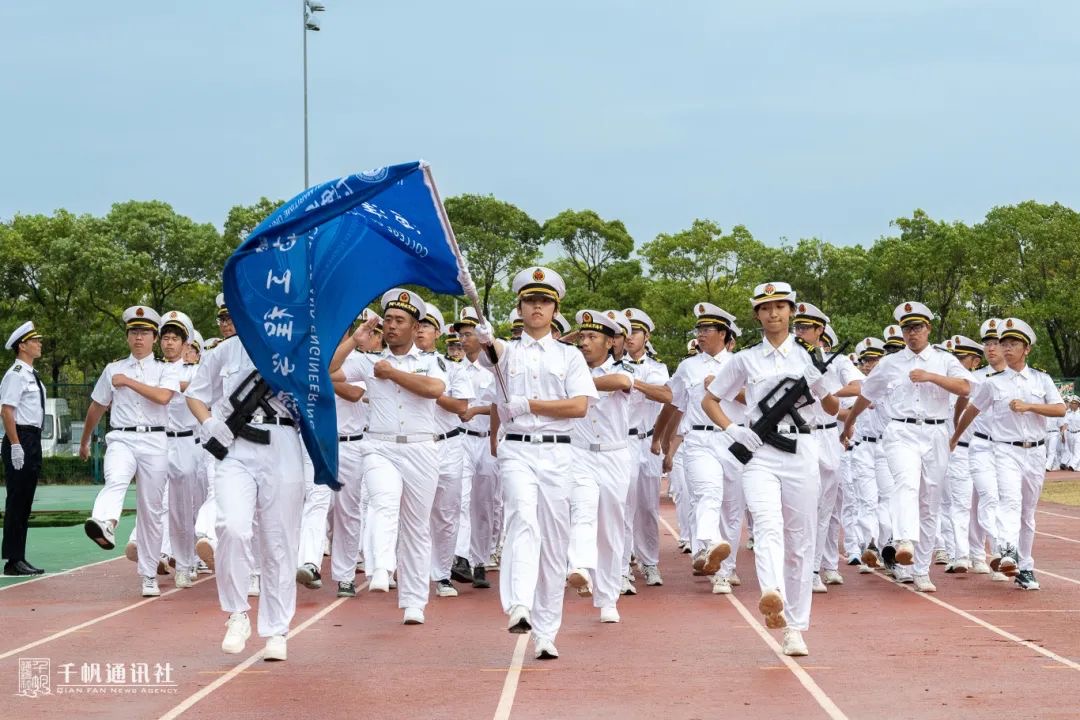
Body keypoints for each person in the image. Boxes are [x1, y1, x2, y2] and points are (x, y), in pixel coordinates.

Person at [703, 281, 842, 657]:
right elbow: (711, 399)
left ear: (792, 312)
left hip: (802, 448)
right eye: (765, 308)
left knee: (801, 538)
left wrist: (818, 383)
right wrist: (733, 429)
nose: (773, 314)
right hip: (760, 450)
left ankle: (795, 627)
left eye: (780, 307)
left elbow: (832, 410)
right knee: (766, 523)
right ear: (757, 315)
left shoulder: (811, 356)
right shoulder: (745, 359)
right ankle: (771, 591)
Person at [473, 266, 597, 660]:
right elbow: (489, 355)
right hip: (517, 450)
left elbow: (578, 406)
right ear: (520, 308)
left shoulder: (569, 356)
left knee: (555, 541)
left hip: (559, 452)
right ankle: (519, 604)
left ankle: (547, 630)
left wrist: (532, 404)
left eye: (544, 301)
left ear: (555, 307)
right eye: (530, 301)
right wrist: (484, 338)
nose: (537, 307)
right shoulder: (506, 352)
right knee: (522, 518)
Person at [328, 289, 447, 626]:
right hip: (379, 446)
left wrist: (392, 373)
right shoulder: (367, 361)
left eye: (400, 321)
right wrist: (356, 339)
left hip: (421, 448)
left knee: (416, 528)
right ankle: (381, 567)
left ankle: (413, 601)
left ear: (415, 327)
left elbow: (434, 390)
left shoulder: (430, 361)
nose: (392, 327)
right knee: (382, 500)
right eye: (389, 320)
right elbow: (327, 369)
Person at [185, 327, 304, 661]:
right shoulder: (225, 350)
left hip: (282, 441)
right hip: (234, 444)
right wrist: (209, 424)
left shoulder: (295, 347)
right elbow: (195, 394)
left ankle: (277, 629)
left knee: (279, 540)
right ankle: (237, 613)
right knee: (232, 527)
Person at [842, 302, 974, 594]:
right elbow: (866, 394)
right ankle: (903, 541)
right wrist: (849, 422)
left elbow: (966, 388)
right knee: (906, 483)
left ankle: (921, 569)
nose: (912, 334)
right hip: (900, 429)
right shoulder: (890, 363)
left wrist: (931, 376)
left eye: (917, 327)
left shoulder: (943, 359)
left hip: (936, 431)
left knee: (930, 502)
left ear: (928, 329)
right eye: (907, 328)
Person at [951, 318, 1065, 590]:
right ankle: (1009, 551)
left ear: (1026, 349)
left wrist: (1029, 406)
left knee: (1028, 513)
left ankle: (1025, 565)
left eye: (1013, 343)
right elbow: (972, 410)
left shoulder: (1041, 379)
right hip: (1004, 450)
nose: (1006, 348)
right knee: (1009, 502)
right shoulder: (994, 383)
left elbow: (1060, 409)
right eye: (1003, 343)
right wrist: (955, 436)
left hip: (1035, 452)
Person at [80, 307, 180, 597]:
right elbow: (97, 406)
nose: (139, 338)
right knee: (116, 479)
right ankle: (105, 523)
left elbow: (163, 398)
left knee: (151, 510)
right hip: (122, 438)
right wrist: (85, 440)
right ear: (127, 337)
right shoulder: (112, 369)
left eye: (145, 333)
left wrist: (128, 382)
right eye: (134, 332)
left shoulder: (165, 369)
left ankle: (148, 573)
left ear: (154, 337)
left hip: (155, 442)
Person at [566, 309, 634, 623]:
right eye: (582, 336)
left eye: (593, 336)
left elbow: (619, 381)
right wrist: (569, 340)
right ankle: (579, 566)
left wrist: (583, 384)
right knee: (582, 509)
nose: (585, 342)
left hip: (614, 454)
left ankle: (608, 598)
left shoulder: (623, 368)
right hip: (579, 454)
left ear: (610, 342)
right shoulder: (568, 368)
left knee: (610, 527)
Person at [621, 308, 672, 588]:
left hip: (647, 441)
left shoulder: (656, 367)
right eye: (626, 332)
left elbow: (666, 394)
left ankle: (649, 561)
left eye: (636, 332)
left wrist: (635, 382)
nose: (630, 337)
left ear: (646, 336)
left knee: (649, 506)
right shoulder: (615, 364)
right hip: (623, 441)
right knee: (624, 504)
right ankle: (623, 564)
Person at [452, 307, 498, 587]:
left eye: (469, 333)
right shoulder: (455, 369)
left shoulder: (494, 370)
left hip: (487, 440)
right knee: (462, 499)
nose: (464, 339)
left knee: (485, 504)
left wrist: (477, 410)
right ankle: (461, 557)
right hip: (463, 439)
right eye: (461, 334)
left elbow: (499, 405)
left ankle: (480, 560)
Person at [1, 321, 46, 576]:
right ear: (22, 346)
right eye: (35, 341)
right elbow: (7, 411)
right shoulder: (16, 374)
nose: (39, 344)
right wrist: (16, 444)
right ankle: (12, 560)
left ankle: (19, 556)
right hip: (22, 438)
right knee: (17, 500)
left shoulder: (30, 374)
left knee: (25, 501)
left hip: (32, 438)